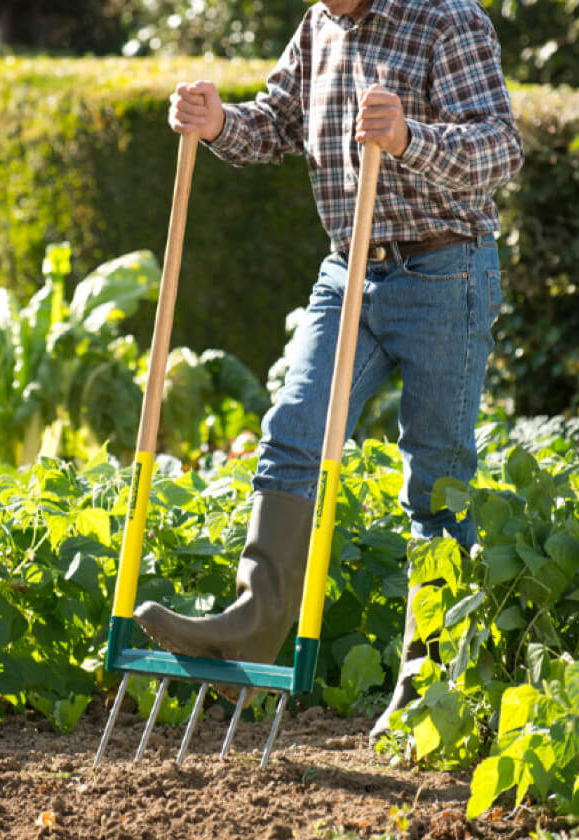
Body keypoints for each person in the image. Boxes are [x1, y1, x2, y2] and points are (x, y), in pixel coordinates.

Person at [134, 0, 524, 745]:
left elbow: (500, 149)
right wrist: (217, 123)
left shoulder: (446, 20)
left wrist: (409, 138)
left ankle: (430, 687)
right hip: (348, 272)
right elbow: (274, 123)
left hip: (445, 272)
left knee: (436, 481)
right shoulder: (320, 25)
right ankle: (252, 626)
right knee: (293, 432)